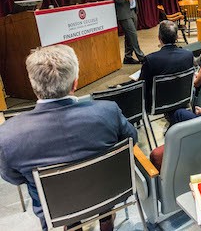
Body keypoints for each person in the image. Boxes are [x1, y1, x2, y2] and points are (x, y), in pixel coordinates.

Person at [0, 45, 138, 231]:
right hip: (107, 194)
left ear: (34, 87)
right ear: (75, 83)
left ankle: (72, 223)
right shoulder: (108, 111)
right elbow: (132, 140)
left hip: (56, 210)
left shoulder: (8, 135)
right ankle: (106, 219)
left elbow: (13, 178)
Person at [139, 20, 194, 111]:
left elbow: (143, 85)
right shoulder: (188, 55)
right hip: (182, 98)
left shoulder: (151, 60)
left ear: (159, 38)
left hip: (157, 104)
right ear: (177, 37)